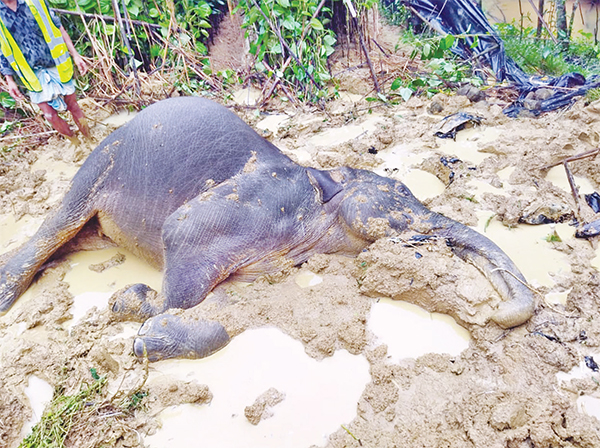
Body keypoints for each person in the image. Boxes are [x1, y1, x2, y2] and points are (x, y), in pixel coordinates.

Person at [0, 0, 90, 142]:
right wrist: (9, 80)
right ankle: (76, 143)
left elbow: (58, 26)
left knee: (73, 106)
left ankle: (90, 140)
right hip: (30, 72)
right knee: (49, 115)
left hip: (55, 62)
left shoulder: (34, 2)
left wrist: (76, 55)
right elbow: (3, 49)